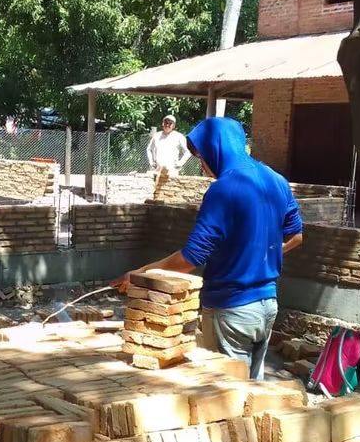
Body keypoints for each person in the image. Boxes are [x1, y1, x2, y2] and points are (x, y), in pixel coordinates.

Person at [114, 117, 304, 380]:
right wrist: (261, 255)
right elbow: (296, 236)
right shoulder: (277, 180)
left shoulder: (224, 190)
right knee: (256, 397)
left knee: (229, 398)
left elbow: (191, 257)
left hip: (232, 309)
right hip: (267, 306)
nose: (202, 166)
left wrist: (141, 272)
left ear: (217, 149)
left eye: (202, 156)